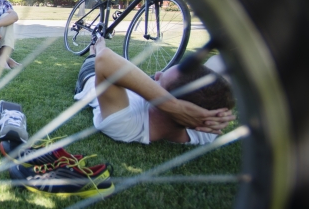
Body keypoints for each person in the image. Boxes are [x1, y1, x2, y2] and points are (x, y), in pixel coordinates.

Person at [74, 36, 235, 145]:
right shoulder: (206, 128)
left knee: (96, 54)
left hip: (94, 78)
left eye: (160, 80)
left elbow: (105, 60)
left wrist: (174, 107)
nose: (157, 74)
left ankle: (96, 45)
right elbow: (219, 63)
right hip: (130, 82)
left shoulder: (126, 126)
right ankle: (98, 43)